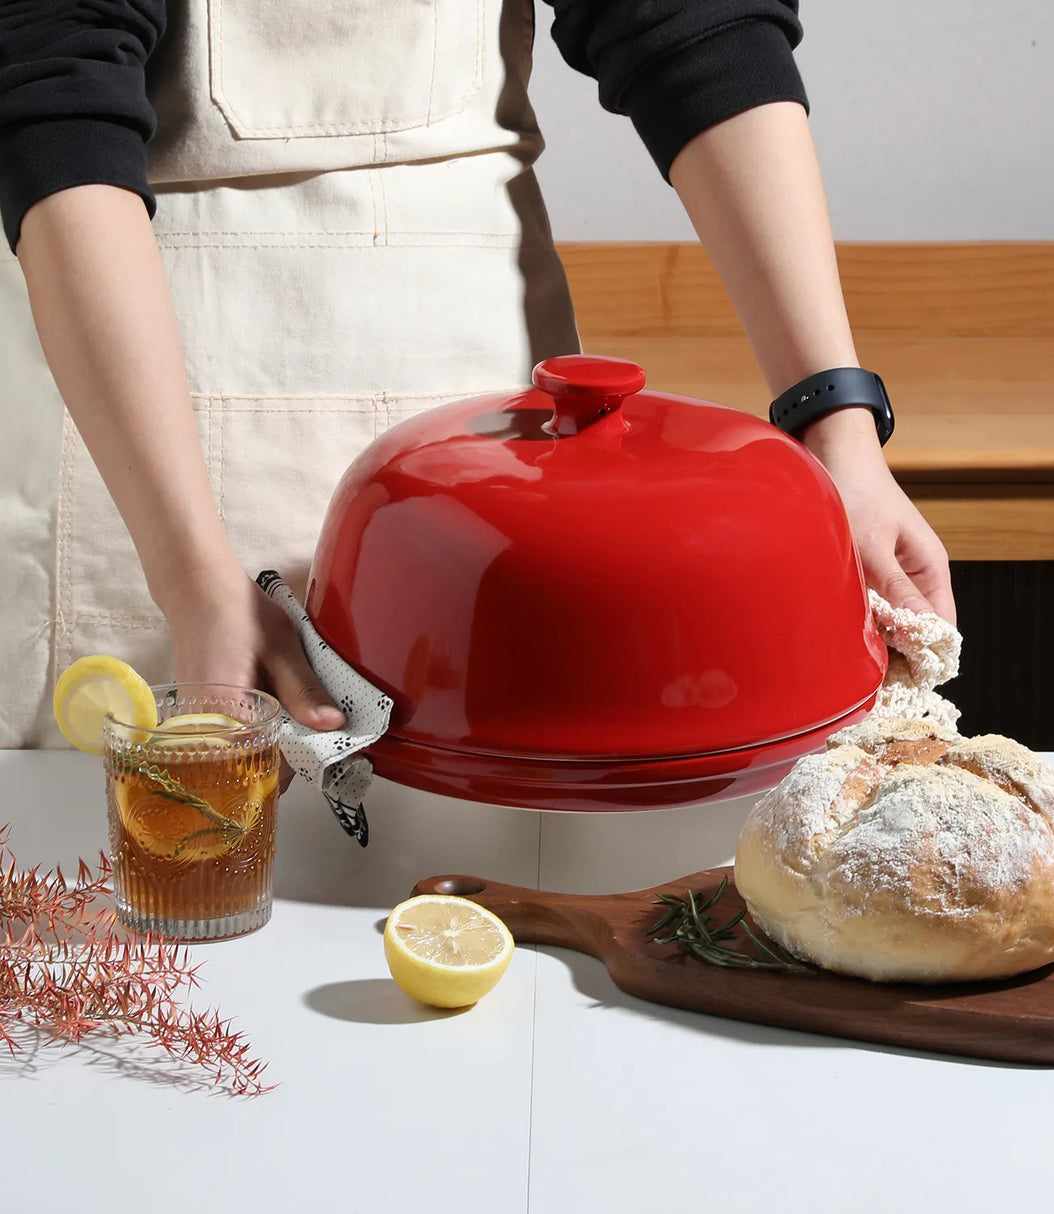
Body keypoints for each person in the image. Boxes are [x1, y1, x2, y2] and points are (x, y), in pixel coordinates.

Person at [0, 1, 955, 751]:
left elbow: (691, 26)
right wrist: (191, 571)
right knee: (158, 942)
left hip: (489, 451)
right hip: (151, 459)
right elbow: (50, 94)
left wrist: (837, 423)